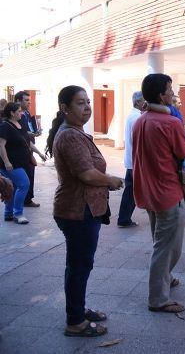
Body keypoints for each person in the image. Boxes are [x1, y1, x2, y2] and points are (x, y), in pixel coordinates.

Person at [46, 85, 123, 337]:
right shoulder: (69, 136)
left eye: (88, 101)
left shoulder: (75, 132)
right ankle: (75, 321)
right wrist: (110, 179)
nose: (87, 107)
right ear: (65, 108)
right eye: (80, 103)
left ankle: (77, 308)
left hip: (84, 209)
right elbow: (86, 174)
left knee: (79, 264)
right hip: (77, 210)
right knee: (79, 266)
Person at [133, 73, 185, 314]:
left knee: (162, 242)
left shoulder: (141, 120)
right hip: (167, 192)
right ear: (161, 95)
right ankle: (157, 297)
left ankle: (164, 278)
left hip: (148, 192)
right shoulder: (170, 123)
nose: (173, 93)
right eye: (170, 89)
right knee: (167, 247)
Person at [0, 102, 45, 224]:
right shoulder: (5, 126)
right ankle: (18, 213)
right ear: (12, 113)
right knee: (24, 184)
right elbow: (1, 145)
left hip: (21, 162)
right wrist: (6, 162)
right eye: (19, 111)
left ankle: (8, 213)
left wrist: (39, 153)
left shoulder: (20, 124)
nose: (21, 113)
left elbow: (28, 142)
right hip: (10, 164)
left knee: (13, 187)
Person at [117, 91, 144, 228]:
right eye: (144, 101)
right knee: (131, 191)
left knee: (131, 190)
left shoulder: (134, 116)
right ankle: (124, 218)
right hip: (135, 162)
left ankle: (124, 218)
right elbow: (137, 141)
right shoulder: (136, 118)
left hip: (132, 161)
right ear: (138, 102)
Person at [15, 91, 41, 207]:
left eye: (29, 100)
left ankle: (27, 199)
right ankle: (21, 203)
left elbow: (28, 129)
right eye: (26, 100)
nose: (29, 102)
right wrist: (30, 134)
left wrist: (35, 132)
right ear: (18, 101)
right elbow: (21, 132)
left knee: (30, 174)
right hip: (21, 149)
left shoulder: (26, 113)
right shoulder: (16, 116)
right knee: (24, 178)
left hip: (29, 146)